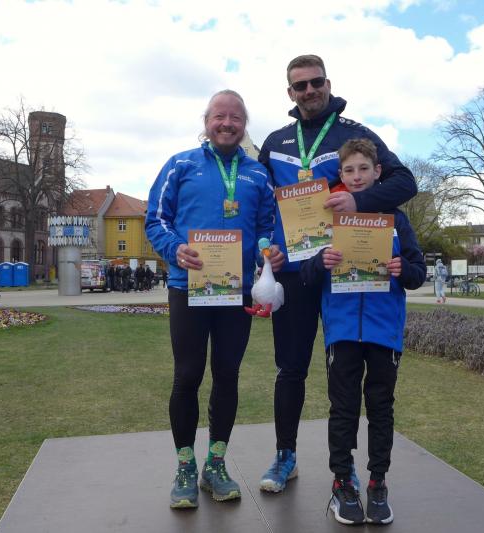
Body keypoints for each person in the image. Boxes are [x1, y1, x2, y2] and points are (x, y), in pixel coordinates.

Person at [257, 54, 417, 493]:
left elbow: (405, 182)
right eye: (300, 85)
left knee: (345, 376)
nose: (309, 91)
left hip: (345, 273)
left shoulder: (355, 134)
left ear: (328, 84)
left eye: (316, 82)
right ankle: (285, 456)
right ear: (290, 92)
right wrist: (264, 250)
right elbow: (260, 204)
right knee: (290, 369)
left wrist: (358, 202)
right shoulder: (274, 141)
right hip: (294, 272)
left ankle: (349, 470)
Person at [145, 89, 284, 510]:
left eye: (235, 118)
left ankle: (216, 465)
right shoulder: (180, 164)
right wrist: (175, 250)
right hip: (188, 287)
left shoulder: (258, 174)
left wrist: (268, 252)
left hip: (235, 292)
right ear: (206, 122)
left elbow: (267, 226)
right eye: (219, 116)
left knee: (227, 376)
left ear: (244, 125)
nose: (227, 124)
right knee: (187, 376)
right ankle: (186, 467)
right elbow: (156, 219)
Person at [301, 139, 426, 525]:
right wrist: (321, 261)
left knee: (381, 407)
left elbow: (418, 273)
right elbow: (305, 276)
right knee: (343, 409)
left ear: (377, 173)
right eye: (349, 170)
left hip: (384, 331)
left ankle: (377, 483)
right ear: (341, 175)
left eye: (363, 169)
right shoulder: (327, 218)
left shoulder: (396, 220)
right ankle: (342, 483)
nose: (356, 177)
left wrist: (401, 269)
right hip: (341, 331)